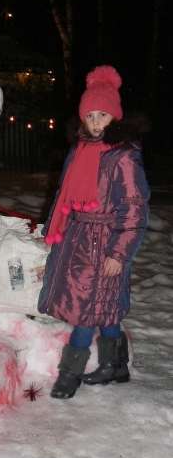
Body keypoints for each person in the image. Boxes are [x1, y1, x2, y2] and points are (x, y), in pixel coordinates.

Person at [38, 66, 149, 399]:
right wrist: (53, 228)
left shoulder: (123, 157)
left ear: (115, 117)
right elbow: (63, 196)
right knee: (105, 308)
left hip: (106, 243)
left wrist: (119, 252)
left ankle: (69, 374)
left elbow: (134, 207)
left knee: (87, 311)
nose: (97, 121)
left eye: (103, 114)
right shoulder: (80, 150)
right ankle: (117, 365)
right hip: (78, 240)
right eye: (91, 115)